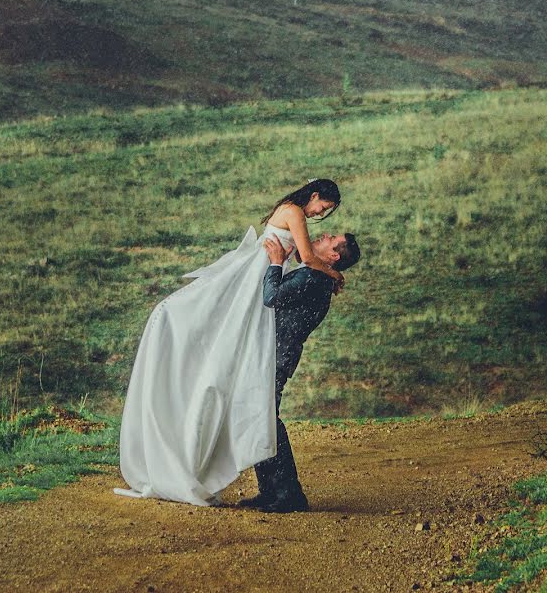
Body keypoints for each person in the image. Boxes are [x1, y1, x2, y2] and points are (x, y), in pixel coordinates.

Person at [113, 179, 343, 506]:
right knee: (259, 407)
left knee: (261, 410)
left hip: (264, 281)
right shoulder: (294, 212)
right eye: (325, 207)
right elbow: (307, 256)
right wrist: (333, 274)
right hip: (260, 278)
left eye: (328, 217)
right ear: (316, 195)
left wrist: (316, 270)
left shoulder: (298, 230)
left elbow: (300, 267)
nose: (322, 217)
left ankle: (281, 493)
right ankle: (278, 493)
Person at [238, 231, 361, 512]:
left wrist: (276, 262)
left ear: (333, 256)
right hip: (277, 353)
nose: (321, 236)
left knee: (266, 417)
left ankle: (289, 494)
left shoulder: (312, 278)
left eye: (329, 239)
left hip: (276, 355)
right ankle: (270, 491)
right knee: (262, 416)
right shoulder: (318, 277)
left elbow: (271, 297)